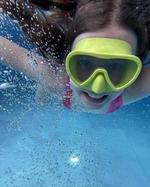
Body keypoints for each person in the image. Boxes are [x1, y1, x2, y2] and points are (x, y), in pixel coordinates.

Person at [0, 0, 150, 114]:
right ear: (68, 60)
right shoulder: (55, 79)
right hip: (57, 77)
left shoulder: (136, 86)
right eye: (84, 64)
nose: (97, 88)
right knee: (43, 96)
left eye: (117, 67)